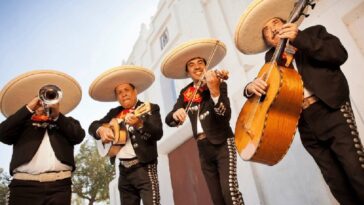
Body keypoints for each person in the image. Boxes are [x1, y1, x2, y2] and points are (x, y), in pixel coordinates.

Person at [235, 0, 364, 204]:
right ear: (267, 40)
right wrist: (250, 87)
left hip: (331, 110)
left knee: (357, 171)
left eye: (275, 23)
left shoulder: (313, 33)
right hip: (303, 124)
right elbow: (267, 97)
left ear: (287, 22)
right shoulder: (270, 61)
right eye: (267, 31)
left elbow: (339, 54)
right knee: (336, 183)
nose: (273, 30)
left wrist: (300, 37)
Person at [161, 38, 244, 205]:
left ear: (206, 66)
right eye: (192, 64)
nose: (197, 66)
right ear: (188, 72)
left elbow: (224, 115)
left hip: (222, 142)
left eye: (200, 62)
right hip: (203, 148)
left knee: (230, 192)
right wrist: (176, 113)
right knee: (217, 198)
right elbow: (169, 120)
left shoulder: (217, 84)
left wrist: (214, 91)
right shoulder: (186, 93)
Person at [0, 70, 85, 205]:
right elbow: (3, 134)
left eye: (49, 98)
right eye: (41, 99)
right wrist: (29, 107)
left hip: (60, 186)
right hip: (23, 186)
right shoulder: (22, 124)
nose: (44, 103)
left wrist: (57, 116)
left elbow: (78, 136)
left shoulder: (65, 121)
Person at [88, 65, 163, 205]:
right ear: (117, 98)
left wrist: (139, 123)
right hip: (124, 171)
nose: (124, 94)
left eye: (127, 90)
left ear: (135, 91)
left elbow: (157, 133)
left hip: (144, 167)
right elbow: (92, 126)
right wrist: (101, 130)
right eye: (119, 92)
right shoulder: (114, 112)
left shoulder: (149, 108)